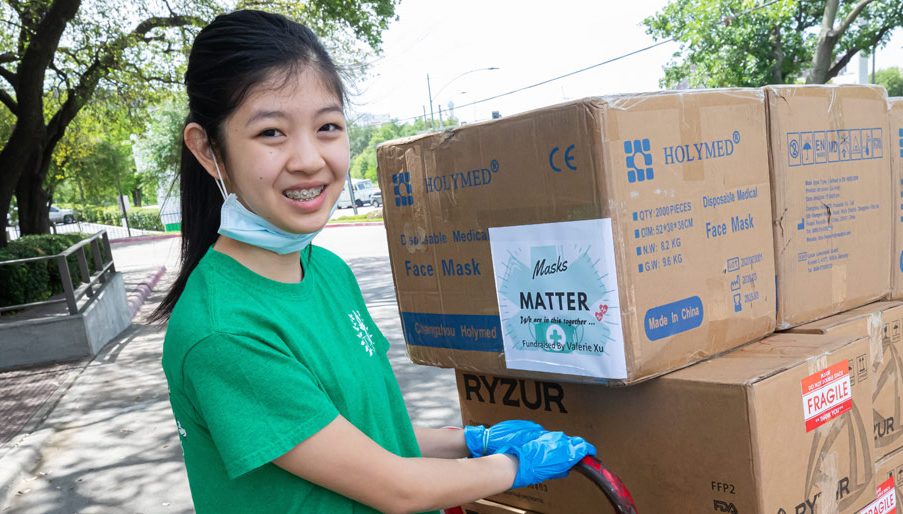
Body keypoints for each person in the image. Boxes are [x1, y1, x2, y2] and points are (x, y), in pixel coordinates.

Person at [152, 10, 595, 514]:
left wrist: (471, 441)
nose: (309, 159)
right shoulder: (223, 332)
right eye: (272, 133)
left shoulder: (328, 272)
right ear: (208, 150)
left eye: (327, 127)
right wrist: (514, 467)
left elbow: (367, 434)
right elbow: (395, 488)